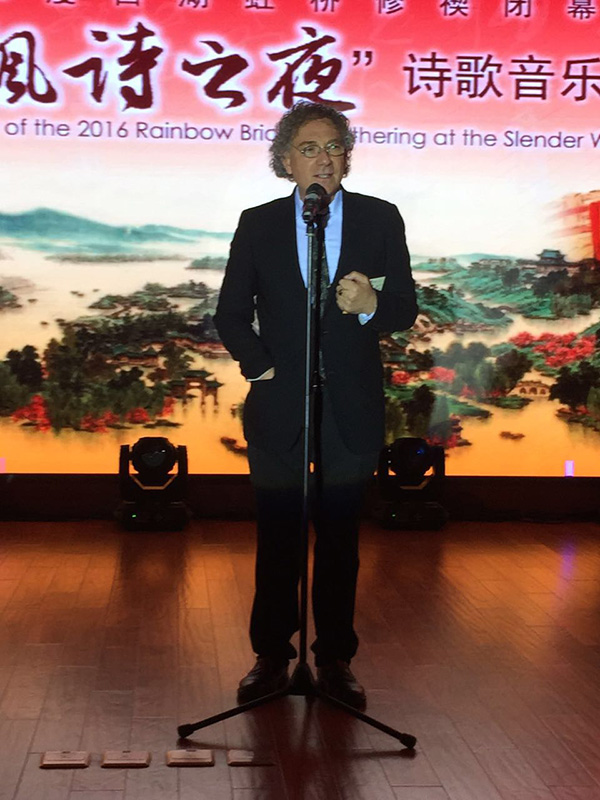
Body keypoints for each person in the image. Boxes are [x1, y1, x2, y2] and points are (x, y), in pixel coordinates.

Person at [214, 101, 417, 710]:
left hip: (350, 408)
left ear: (346, 157)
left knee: (339, 540)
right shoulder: (259, 223)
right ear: (285, 161)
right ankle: (271, 655)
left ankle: (333, 659)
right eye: (308, 148)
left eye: (333, 147)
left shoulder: (380, 219)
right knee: (277, 535)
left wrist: (370, 306)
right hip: (280, 407)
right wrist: (260, 365)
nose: (323, 158)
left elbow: (403, 306)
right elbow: (230, 312)